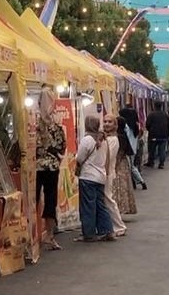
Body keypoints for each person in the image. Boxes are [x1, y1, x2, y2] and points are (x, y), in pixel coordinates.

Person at [74, 115, 114, 242]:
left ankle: (88, 233)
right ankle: (107, 230)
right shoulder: (103, 140)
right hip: (100, 176)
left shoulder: (87, 140)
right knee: (100, 205)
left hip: (88, 176)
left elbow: (79, 158)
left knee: (87, 207)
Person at [35, 89, 67, 250]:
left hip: (34, 167)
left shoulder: (32, 124)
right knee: (50, 199)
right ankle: (49, 235)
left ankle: (32, 234)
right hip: (52, 167)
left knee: (32, 200)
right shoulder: (56, 126)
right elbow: (62, 148)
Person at [102, 114, 128, 236]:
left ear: (115, 125)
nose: (106, 124)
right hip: (104, 172)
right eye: (105, 121)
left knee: (108, 199)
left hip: (107, 173)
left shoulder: (113, 140)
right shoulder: (106, 138)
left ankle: (119, 226)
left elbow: (107, 157)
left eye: (109, 122)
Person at [119, 106, 146, 189]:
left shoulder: (126, 127)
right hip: (133, 148)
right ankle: (135, 182)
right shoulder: (135, 126)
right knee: (132, 166)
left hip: (128, 149)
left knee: (131, 167)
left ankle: (141, 181)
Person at [145, 101, 169, 169]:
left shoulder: (151, 114)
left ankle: (151, 162)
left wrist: (150, 130)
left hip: (153, 134)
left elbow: (147, 124)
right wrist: (168, 133)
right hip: (163, 135)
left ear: (154, 106)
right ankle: (161, 164)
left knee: (152, 149)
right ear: (161, 106)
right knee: (162, 150)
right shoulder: (165, 114)